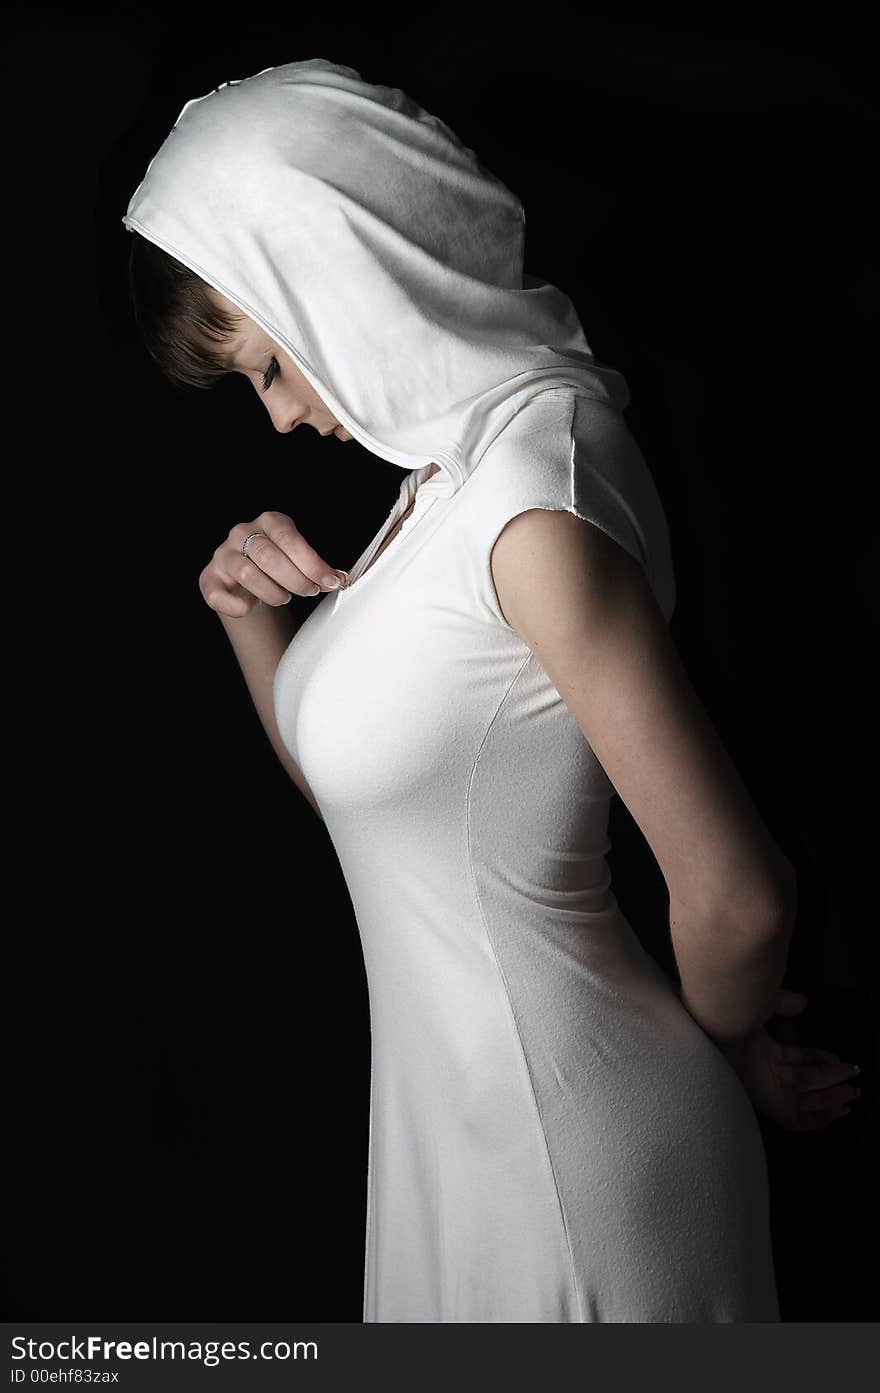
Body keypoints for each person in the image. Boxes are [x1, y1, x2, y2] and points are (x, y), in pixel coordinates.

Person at [122, 59, 860, 1323]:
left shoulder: (532, 497)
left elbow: (738, 895)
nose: (285, 418)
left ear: (346, 273)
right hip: (449, 1146)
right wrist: (253, 625)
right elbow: (374, 801)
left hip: (576, 1164)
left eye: (273, 366)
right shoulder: (448, 480)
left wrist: (735, 1051)